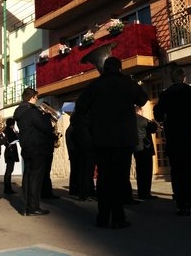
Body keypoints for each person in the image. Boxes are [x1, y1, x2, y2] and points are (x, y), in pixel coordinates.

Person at [74, 56, 148, 229]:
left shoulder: (94, 85)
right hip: (123, 140)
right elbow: (143, 100)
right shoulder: (126, 82)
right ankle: (118, 218)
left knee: (104, 179)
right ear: (120, 68)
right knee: (120, 179)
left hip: (101, 140)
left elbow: (81, 108)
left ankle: (102, 217)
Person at [154, 66, 191, 216]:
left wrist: (166, 119)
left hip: (174, 137)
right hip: (190, 136)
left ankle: (181, 205)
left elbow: (157, 114)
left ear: (172, 79)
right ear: (184, 77)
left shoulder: (165, 94)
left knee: (177, 172)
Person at [13, 87, 57, 216]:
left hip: (26, 147)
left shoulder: (19, 111)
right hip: (37, 147)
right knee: (36, 178)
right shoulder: (33, 111)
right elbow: (45, 128)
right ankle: (34, 207)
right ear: (32, 97)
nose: (37, 100)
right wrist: (47, 117)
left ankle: (26, 206)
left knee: (27, 176)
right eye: (36, 97)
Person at [134, 106, 159, 200]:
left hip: (137, 149)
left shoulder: (131, 120)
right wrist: (154, 123)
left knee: (140, 172)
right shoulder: (141, 119)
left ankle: (141, 192)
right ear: (139, 111)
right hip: (145, 149)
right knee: (147, 172)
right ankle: (146, 193)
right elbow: (152, 129)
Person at [40, 100, 60, 200]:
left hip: (48, 147)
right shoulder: (44, 118)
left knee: (46, 171)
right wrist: (53, 136)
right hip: (45, 148)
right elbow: (47, 132)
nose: (50, 111)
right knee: (45, 171)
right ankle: (46, 193)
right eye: (48, 109)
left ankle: (46, 192)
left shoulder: (48, 119)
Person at [3, 118, 20, 194]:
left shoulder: (6, 130)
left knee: (9, 170)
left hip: (9, 152)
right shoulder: (9, 131)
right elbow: (15, 139)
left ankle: (8, 188)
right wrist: (17, 134)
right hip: (11, 152)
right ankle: (7, 188)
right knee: (9, 170)